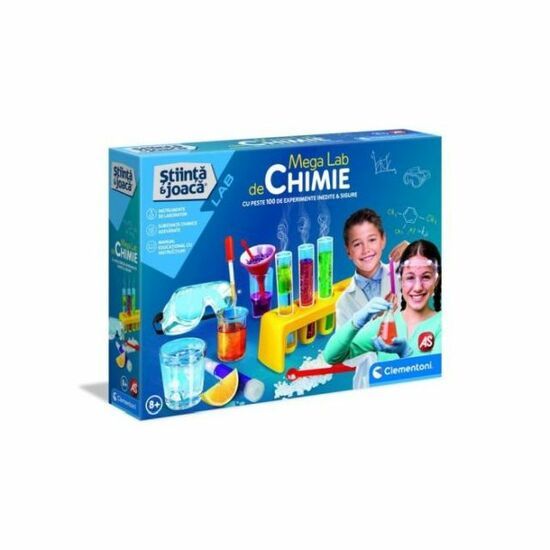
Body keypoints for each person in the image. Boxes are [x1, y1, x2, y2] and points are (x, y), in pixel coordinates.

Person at [324, 239, 441, 367]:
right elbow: (331, 356)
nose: (417, 287)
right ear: (401, 280)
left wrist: (405, 353)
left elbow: (436, 373)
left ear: (436, 281)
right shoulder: (384, 327)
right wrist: (356, 322)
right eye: (410, 277)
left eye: (426, 277)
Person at [334, 208, 408, 388]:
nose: (366, 249)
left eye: (372, 240)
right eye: (357, 244)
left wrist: (416, 252)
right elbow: (345, 357)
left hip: (409, 370)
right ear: (348, 251)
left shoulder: (402, 273)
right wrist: (377, 321)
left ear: (383, 240)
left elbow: (436, 286)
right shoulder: (344, 302)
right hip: (370, 382)